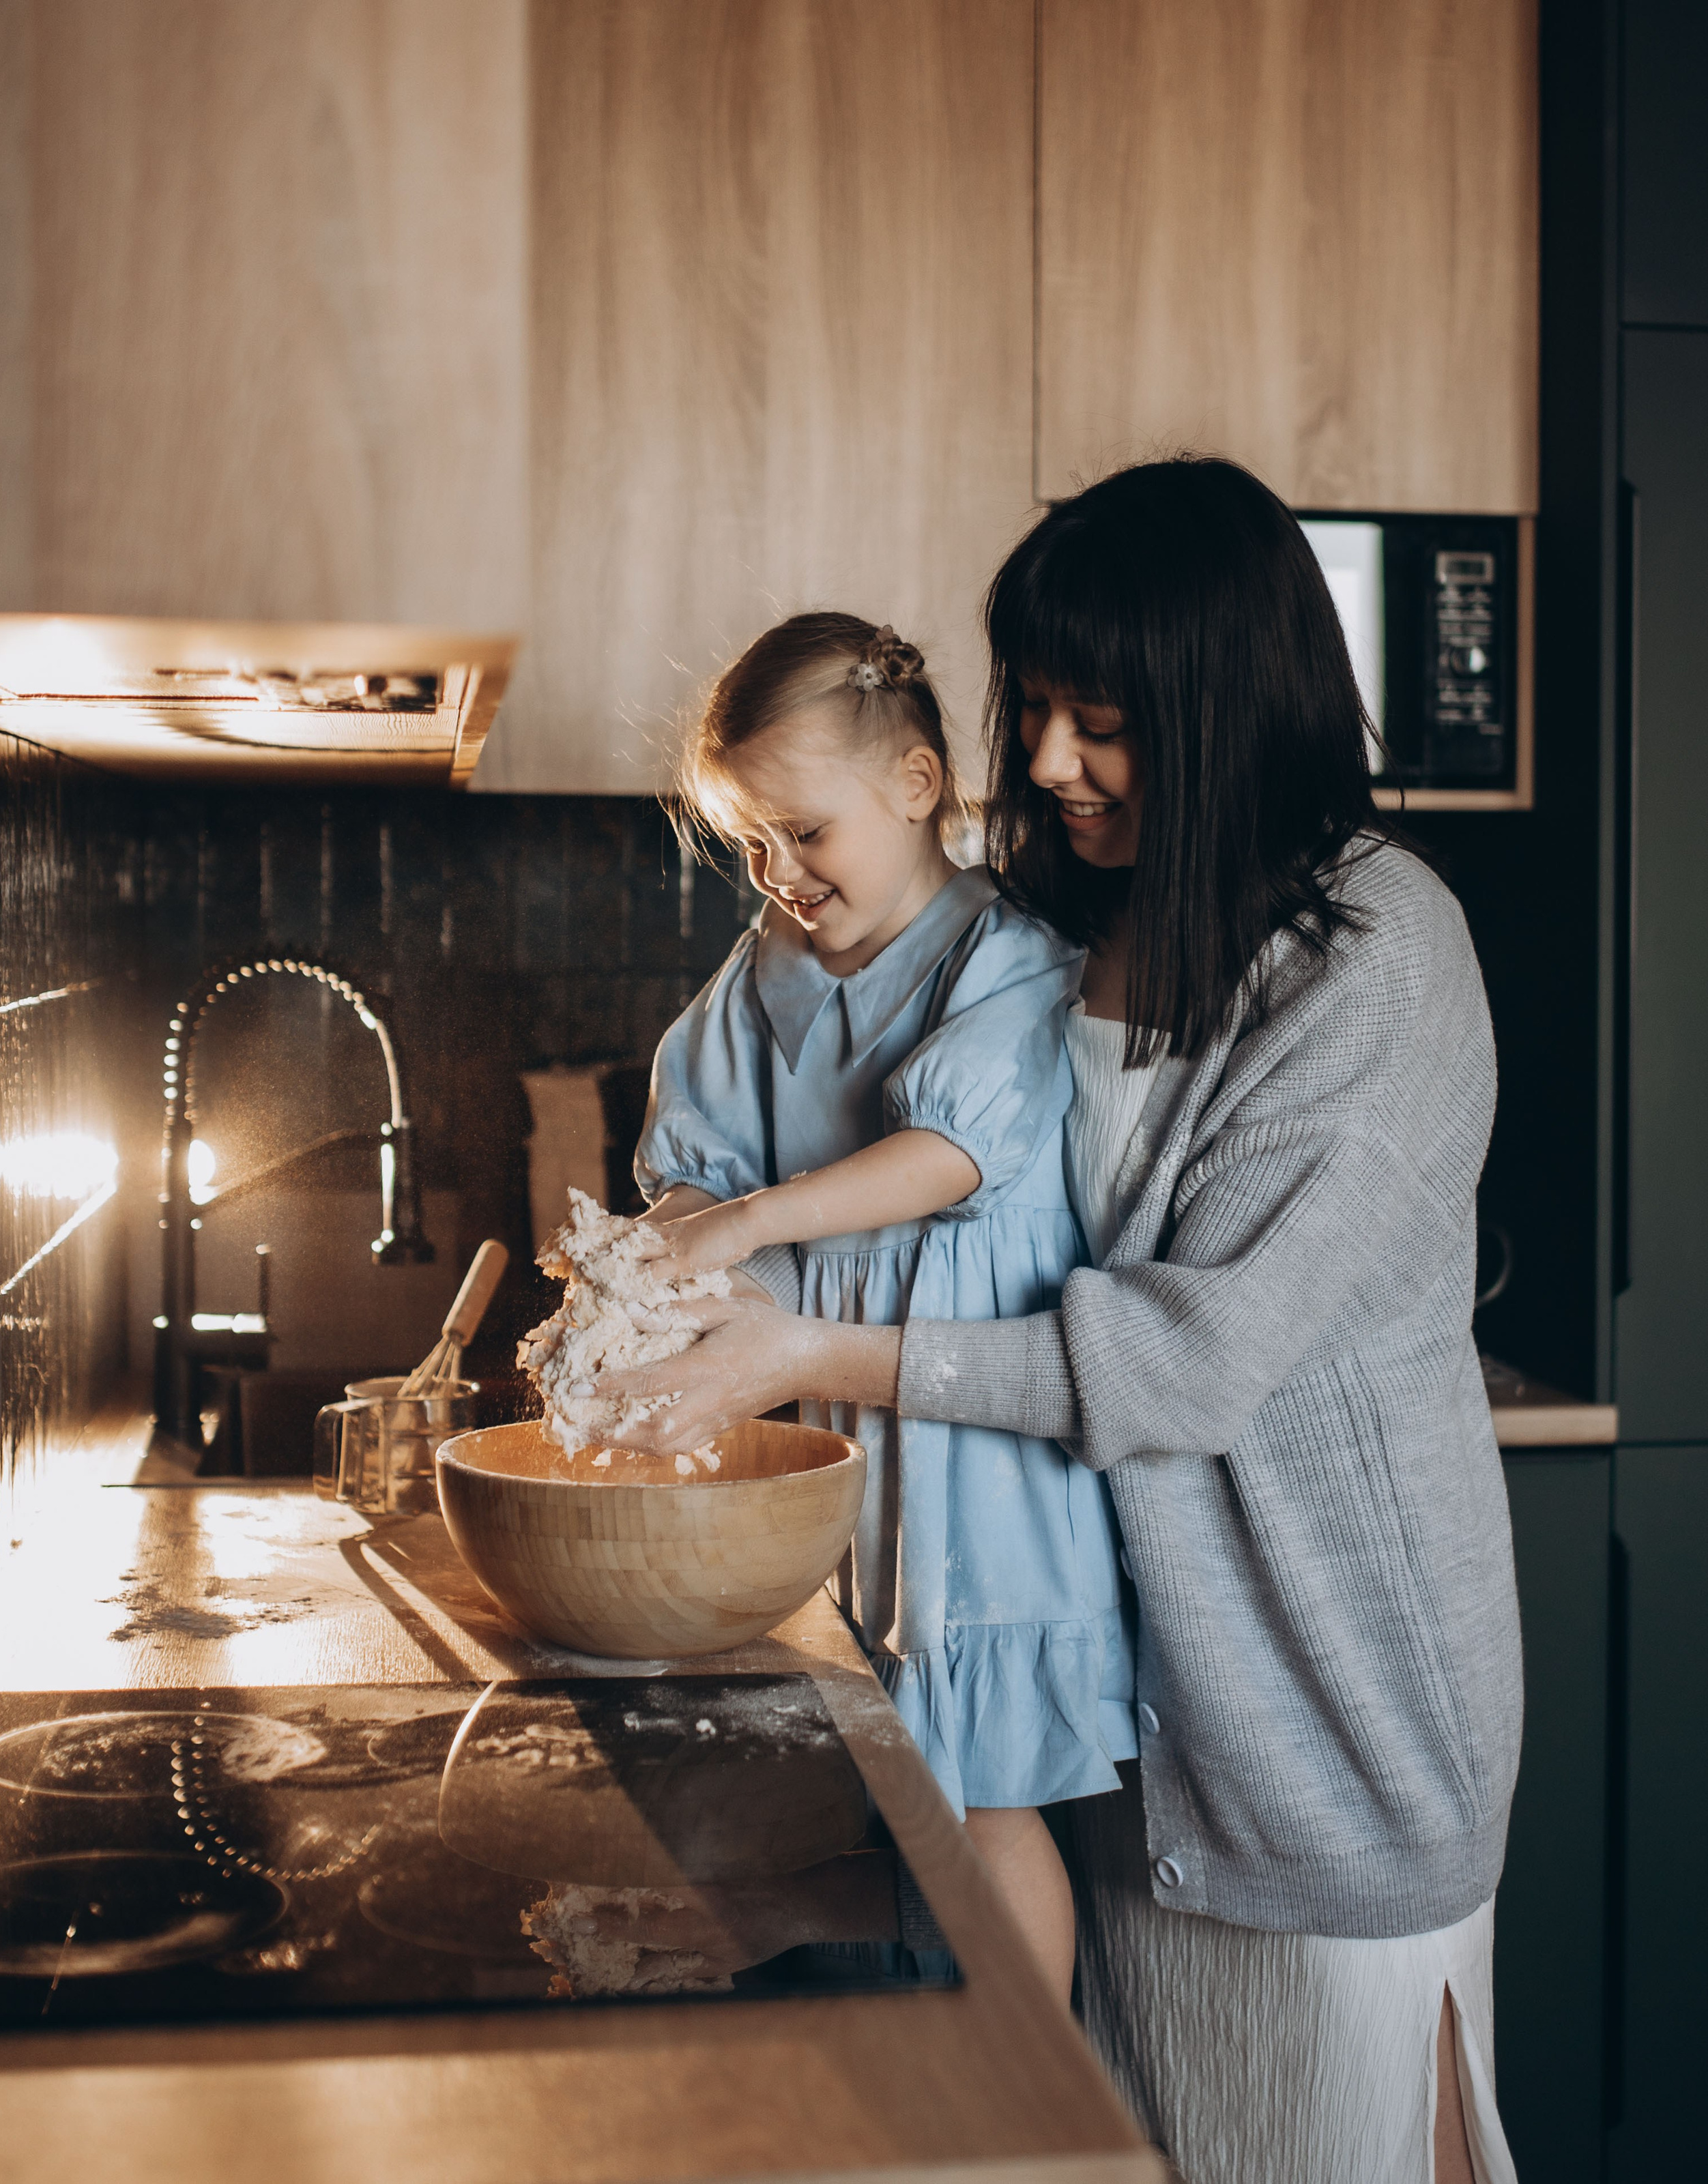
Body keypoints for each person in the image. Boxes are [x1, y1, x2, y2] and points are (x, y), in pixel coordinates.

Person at [602, 465, 1524, 2184]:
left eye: (1093, 717)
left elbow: (1178, 1356)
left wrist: (811, 1355)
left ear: (1218, 707)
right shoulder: (1076, 920)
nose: (1038, 758)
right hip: (1119, 1721)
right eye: (1029, 705)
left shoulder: (1378, 958)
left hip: (1314, 1733)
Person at [632, 609, 1136, 2000]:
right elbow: (687, 1165)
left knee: (983, 1798)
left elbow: (951, 1154)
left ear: (916, 788)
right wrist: (681, 1257)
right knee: (904, 1776)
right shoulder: (758, 982)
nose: (779, 873)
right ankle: (941, 2084)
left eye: (804, 833)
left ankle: (1030, 2107)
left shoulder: (1007, 954)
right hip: (846, 1429)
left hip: (974, 1436)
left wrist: (755, 1219)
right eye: (751, 843)